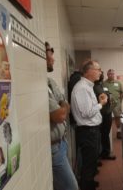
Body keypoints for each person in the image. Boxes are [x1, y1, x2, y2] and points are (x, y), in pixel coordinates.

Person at [45, 42, 78, 190]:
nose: (53, 59)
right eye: (51, 54)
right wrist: (63, 106)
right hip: (53, 149)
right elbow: (59, 115)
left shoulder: (49, 82)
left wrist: (63, 106)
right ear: (42, 54)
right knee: (71, 187)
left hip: (62, 142)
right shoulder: (38, 85)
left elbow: (65, 105)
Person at [71, 59, 107, 190]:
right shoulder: (82, 88)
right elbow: (87, 112)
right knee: (88, 164)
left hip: (92, 130)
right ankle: (87, 186)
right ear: (89, 71)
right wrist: (101, 104)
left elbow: (88, 107)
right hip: (88, 131)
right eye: (98, 69)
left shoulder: (88, 86)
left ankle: (90, 183)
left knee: (91, 162)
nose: (100, 72)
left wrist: (98, 102)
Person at [94, 72, 116, 160]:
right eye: (99, 72)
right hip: (100, 113)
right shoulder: (93, 86)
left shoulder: (101, 85)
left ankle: (105, 152)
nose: (100, 74)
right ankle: (100, 154)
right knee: (101, 135)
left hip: (107, 113)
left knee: (105, 134)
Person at [103, 69, 123, 139]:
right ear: (107, 75)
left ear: (114, 74)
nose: (111, 75)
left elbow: (122, 93)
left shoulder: (118, 83)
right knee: (107, 118)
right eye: (109, 74)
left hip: (116, 104)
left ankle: (119, 131)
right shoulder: (104, 83)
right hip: (107, 104)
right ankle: (106, 132)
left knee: (117, 117)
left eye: (112, 74)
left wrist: (120, 101)